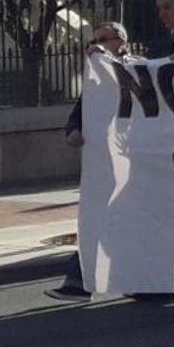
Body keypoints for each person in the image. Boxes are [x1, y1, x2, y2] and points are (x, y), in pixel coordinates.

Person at [47, 22, 133, 300]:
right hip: (104, 164)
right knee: (97, 218)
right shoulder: (96, 80)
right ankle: (79, 279)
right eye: (91, 42)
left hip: (135, 164)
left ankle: (85, 278)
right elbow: (80, 113)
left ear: (120, 41)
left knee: (123, 220)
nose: (94, 47)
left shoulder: (141, 70)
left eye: (101, 40)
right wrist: (72, 131)